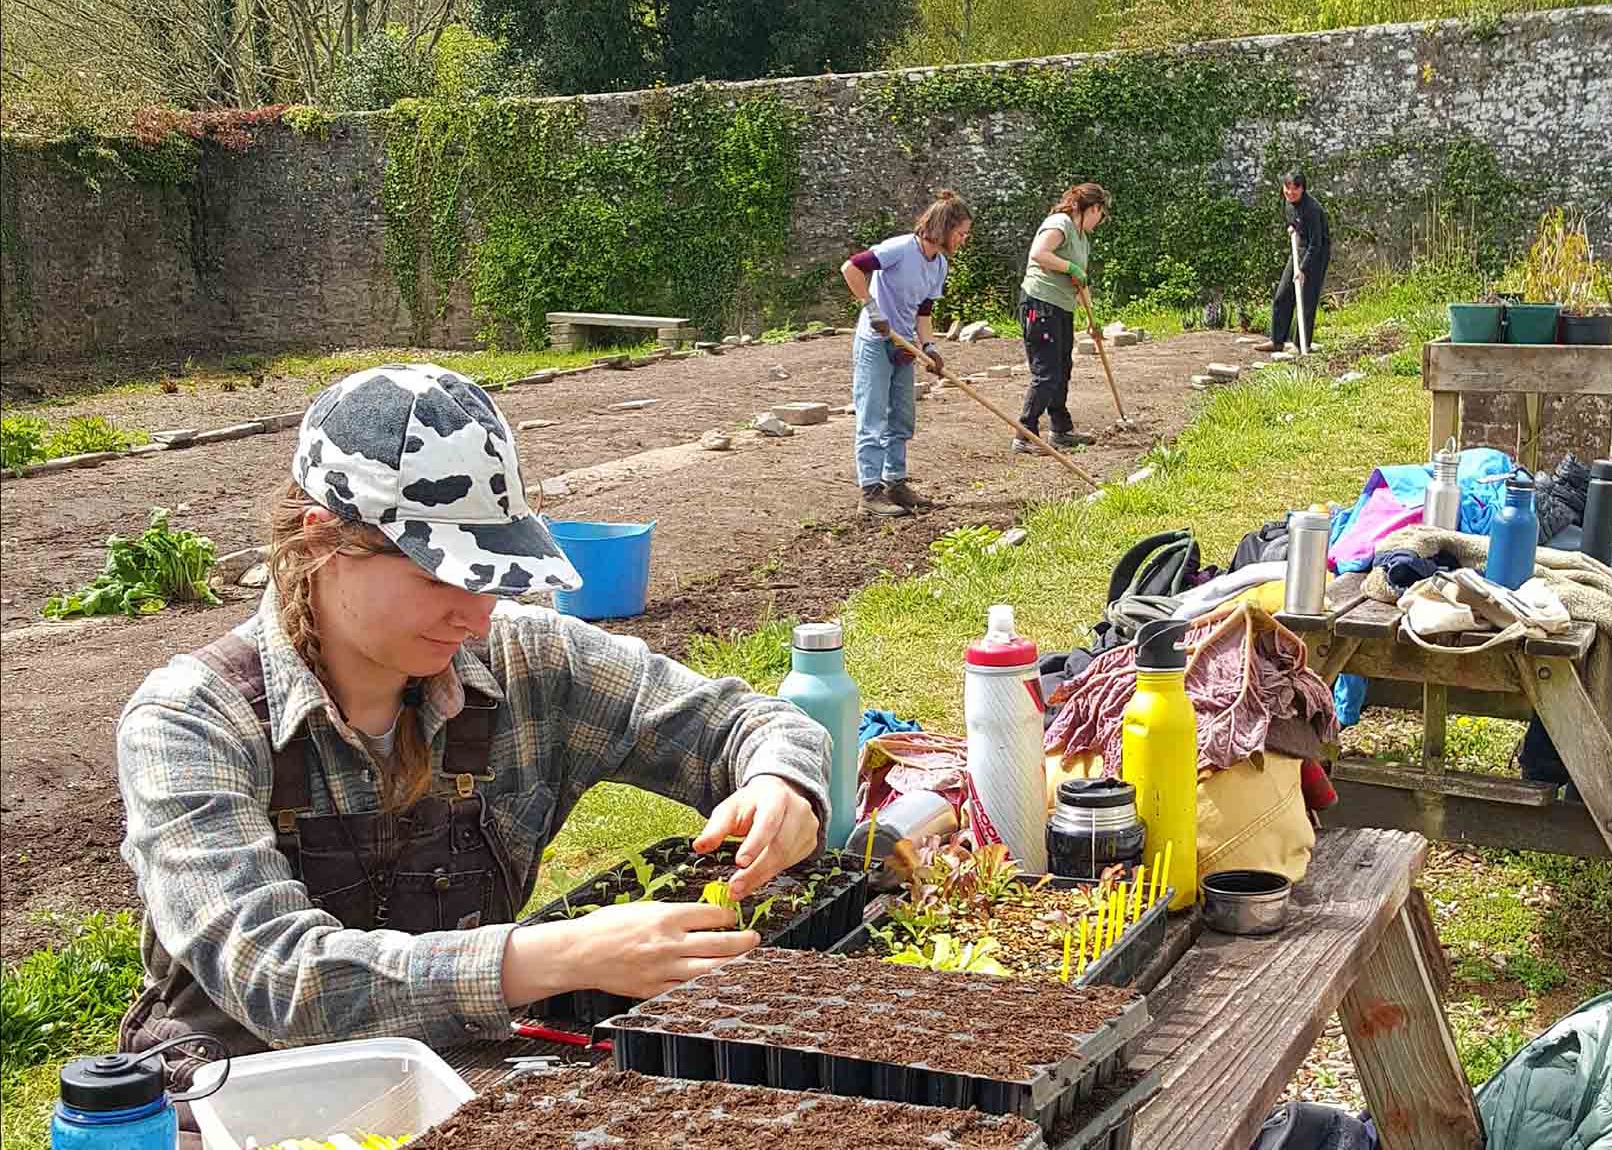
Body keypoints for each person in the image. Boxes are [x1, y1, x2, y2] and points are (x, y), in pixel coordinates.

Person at [115, 364, 829, 1120]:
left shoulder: (529, 664)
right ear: (322, 540)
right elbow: (282, 979)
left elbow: (746, 722)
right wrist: (559, 955)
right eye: (442, 575)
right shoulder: (191, 721)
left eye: (491, 577)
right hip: (243, 1106)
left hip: (460, 1090)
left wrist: (780, 784)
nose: (477, 618)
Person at [839, 191, 973, 519]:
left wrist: (929, 347)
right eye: (961, 233)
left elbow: (923, 311)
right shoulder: (899, 249)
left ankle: (895, 483)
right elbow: (851, 268)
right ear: (944, 228)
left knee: (901, 417)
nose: (964, 240)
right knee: (873, 416)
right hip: (875, 341)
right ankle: (869, 492)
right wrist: (872, 309)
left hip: (903, 346)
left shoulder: (939, 264)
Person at [1014, 182, 1111, 455]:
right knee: (1046, 372)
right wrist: (1068, 266)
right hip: (1040, 304)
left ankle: (1060, 430)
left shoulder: (1082, 239)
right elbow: (1039, 254)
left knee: (1063, 368)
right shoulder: (1060, 223)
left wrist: (1092, 318)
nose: (1100, 220)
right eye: (1101, 214)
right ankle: (1025, 435)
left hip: (1062, 307)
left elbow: (1080, 281)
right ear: (1093, 208)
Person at [1256, 171, 1331, 355]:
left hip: (1317, 253)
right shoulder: (1288, 202)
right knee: (1283, 294)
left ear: (1302, 189)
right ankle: (1277, 340)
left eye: (1294, 191)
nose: (1290, 194)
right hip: (1299, 248)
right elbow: (1293, 220)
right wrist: (1292, 227)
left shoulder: (1313, 209)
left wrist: (1303, 269)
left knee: (1306, 299)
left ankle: (1301, 345)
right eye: (1287, 190)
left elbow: (1316, 243)